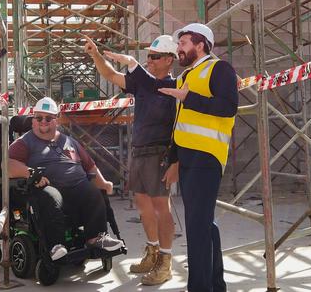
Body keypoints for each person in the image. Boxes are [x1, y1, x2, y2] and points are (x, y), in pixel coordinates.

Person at [84, 34, 178, 285]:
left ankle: (166, 262)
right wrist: (95, 54)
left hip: (159, 153)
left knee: (161, 208)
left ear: (170, 60)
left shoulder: (175, 87)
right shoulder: (143, 84)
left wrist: (175, 161)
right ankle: (153, 251)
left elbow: (179, 125)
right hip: (139, 151)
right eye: (148, 57)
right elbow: (111, 75)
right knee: (143, 206)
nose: (150, 61)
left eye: (155, 57)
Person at [158, 23, 238, 292]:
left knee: (196, 226)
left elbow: (228, 107)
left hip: (208, 156)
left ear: (200, 44)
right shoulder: (186, 77)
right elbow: (181, 124)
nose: (178, 49)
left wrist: (188, 97)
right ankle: (215, 285)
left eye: (183, 43)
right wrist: (174, 161)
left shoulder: (219, 69)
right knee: (203, 223)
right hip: (189, 158)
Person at [8, 97, 125, 261]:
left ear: (56, 120)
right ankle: (56, 245)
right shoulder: (23, 142)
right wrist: (30, 172)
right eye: (39, 118)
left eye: (48, 118)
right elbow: (8, 164)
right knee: (51, 197)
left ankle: (96, 238)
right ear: (33, 120)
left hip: (76, 187)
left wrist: (104, 183)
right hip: (48, 187)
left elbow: (90, 166)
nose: (43, 122)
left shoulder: (69, 141)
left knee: (93, 192)